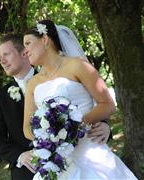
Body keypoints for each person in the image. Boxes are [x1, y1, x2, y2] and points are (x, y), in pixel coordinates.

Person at [0, 32, 112, 180]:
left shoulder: (59, 75)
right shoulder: (0, 97)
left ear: (23, 53)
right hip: (29, 170)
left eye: (6, 55)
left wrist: (104, 125)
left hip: (78, 155)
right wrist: (20, 156)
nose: (2, 61)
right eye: (0, 58)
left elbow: (88, 100)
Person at [23, 19, 137, 179]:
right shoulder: (32, 84)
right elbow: (27, 129)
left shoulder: (78, 66)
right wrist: (50, 138)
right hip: (59, 163)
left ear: (44, 39)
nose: (25, 50)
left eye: (28, 43)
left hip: (91, 153)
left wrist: (72, 126)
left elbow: (108, 104)